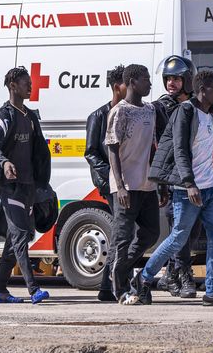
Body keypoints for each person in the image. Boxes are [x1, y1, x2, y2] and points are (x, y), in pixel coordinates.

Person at [123, 70, 213, 306]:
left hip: (210, 188)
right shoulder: (185, 112)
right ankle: (143, 280)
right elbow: (180, 151)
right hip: (187, 189)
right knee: (179, 238)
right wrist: (189, 184)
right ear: (202, 90)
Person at [0, 66, 51, 304]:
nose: (30, 86)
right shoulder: (4, 115)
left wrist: (42, 183)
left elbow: (38, 151)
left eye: (30, 82)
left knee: (14, 239)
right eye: (26, 82)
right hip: (9, 186)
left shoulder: (29, 116)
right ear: (13, 86)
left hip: (28, 186)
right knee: (20, 237)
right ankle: (33, 289)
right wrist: (5, 162)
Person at [105, 64, 160, 302]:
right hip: (126, 186)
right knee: (122, 238)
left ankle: (122, 270)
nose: (150, 83)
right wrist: (120, 185)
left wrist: (161, 183)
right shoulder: (120, 111)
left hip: (147, 184)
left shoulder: (150, 110)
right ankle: (121, 290)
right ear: (133, 82)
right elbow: (112, 149)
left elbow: (153, 148)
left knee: (151, 233)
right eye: (146, 79)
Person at [152, 55, 202, 298]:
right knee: (180, 228)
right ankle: (183, 276)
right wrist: (161, 185)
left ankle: (170, 273)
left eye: (177, 78)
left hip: (197, 173)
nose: (171, 83)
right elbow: (157, 147)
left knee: (194, 230)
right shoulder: (160, 108)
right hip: (173, 177)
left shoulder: (196, 106)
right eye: (168, 78)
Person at [84, 65, 126, 302]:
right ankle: (106, 286)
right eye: (124, 83)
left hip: (128, 182)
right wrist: (110, 176)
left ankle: (114, 283)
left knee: (126, 232)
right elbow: (91, 152)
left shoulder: (129, 112)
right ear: (115, 87)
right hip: (111, 183)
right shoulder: (98, 116)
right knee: (121, 232)